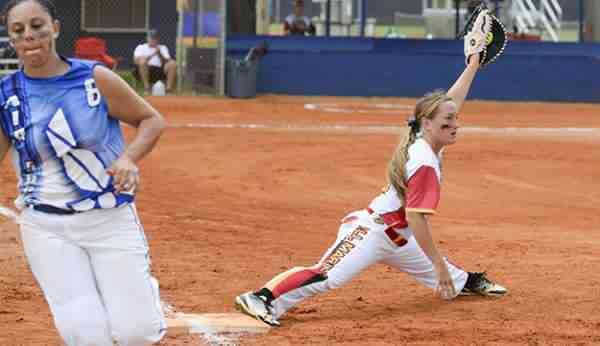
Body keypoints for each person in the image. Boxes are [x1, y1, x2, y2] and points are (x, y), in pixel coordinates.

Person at [235, 18, 507, 328]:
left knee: (440, 271)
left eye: (453, 120)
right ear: (429, 124)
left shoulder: (425, 137)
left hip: (398, 238)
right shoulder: (424, 163)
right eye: (448, 123)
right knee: (327, 275)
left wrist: (473, 63)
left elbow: (450, 104)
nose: (455, 124)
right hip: (372, 232)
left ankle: (463, 281)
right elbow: (418, 219)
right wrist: (437, 265)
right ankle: (262, 297)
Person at [0, 0, 167, 345]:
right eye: (19, 31)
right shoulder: (7, 95)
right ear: (11, 39)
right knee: (84, 333)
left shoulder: (94, 78)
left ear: (55, 29)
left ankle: (139, 294)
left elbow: (151, 120)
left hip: (108, 219)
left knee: (137, 332)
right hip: (45, 227)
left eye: (37, 25)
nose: (30, 36)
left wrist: (129, 158)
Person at [133, 29, 177, 94]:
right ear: (147, 38)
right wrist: (153, 54)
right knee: (143, 62)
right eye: (151, 38)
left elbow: (167, 61)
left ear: (158, 39)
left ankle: (168, 90)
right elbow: (136, 60)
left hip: (160, 70)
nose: (153, 40)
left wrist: (159, 54)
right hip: (146, 69)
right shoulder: (141, 47)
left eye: (155, 38)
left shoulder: (162, 47)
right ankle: (147, 88)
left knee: (173, 63)